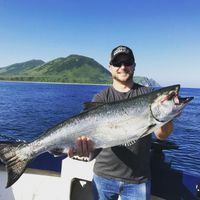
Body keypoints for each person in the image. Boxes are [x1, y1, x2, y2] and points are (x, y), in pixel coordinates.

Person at [68, 45, 173, 200]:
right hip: (103, 176)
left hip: (138, 180)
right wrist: (80, 148)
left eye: (127, 62)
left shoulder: (148, 95)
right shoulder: (101, 98)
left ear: (134, 66)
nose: (123, 67)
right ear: (110, 67)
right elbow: (91, 139)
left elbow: (162, 135)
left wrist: (167, 113)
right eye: (117, 63)